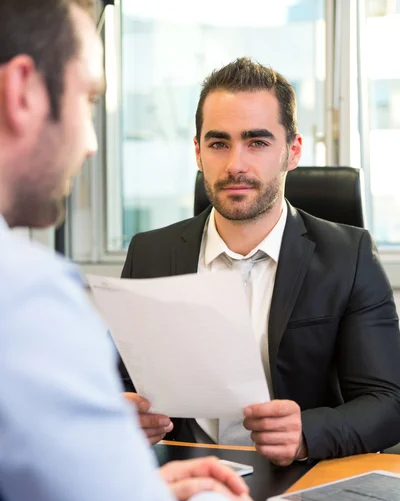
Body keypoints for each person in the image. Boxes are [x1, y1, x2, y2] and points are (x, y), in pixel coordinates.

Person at [0, 2, 263, 501]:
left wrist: (115, 495)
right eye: (87, 100)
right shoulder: (24, 298)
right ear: (22, 92)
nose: (92, 143)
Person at [120, 57, 400, 467]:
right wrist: (124, 411)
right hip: (183, 474)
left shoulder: (349, 255)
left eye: (257, 142)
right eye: (219, 143)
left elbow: (389, 402)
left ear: (293, 151)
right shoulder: (150, 253)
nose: (236, 164)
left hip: (298, 480)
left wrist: (307, 432)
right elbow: (118, 381)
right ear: (198, 153)